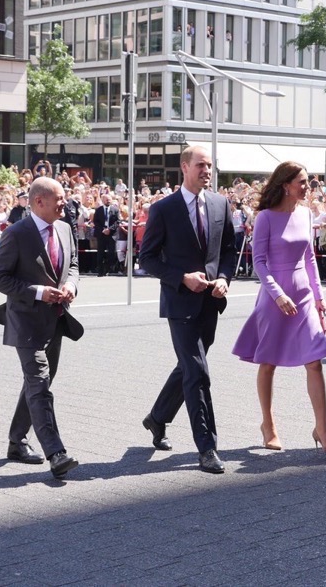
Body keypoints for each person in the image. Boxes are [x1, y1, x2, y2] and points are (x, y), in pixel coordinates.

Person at [138, 146, 237, 474]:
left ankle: (157, 417)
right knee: (198, 372)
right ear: (184, 167)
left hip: (210, 303)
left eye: (210, 166)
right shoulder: (163, 209)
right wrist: (181, 278)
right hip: (180, 303)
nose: (207, 171)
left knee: (189, 368)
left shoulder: (221, 203)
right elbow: (147, 258)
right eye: (200, 165)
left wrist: (223, 278)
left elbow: (228, 251)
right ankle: (207, 447)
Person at [231, 162, 326, 453]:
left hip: (303, 297)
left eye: (307, 182)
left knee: (315, 361)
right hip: (274, 298)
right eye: (302, 182)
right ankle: (268, 425)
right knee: (269, 363)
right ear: (285, 185)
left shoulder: (305, 214)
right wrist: (278, 295)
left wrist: (318, 297)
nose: (307, 187)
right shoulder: (265, 217)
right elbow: (259, 262)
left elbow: (310, 259)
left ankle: (322, 431)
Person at [0, 177, 83, 479]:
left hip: (55, 320)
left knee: (39, 383)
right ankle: (57, 453)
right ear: (39, 201)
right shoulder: (16, 234)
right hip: (25, 321)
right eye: (59, 199)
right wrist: (38, 291)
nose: (65, 204)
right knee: (39, 384)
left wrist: (70, 285)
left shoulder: (65, 229)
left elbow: (75, 265)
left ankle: (16, 442)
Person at [93, 194, 118, 276]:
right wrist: (103, 230)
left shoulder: (115, 210)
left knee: (111, 252)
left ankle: (108, 269)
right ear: (103, 200)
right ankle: (100, 271)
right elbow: (96, 222)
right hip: (101, 234)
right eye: (106, 199)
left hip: (111, 234)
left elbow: (117, 222)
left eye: (109, 199)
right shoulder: (99, 210)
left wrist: (109, 229)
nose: (108, 201)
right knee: (100, 253)